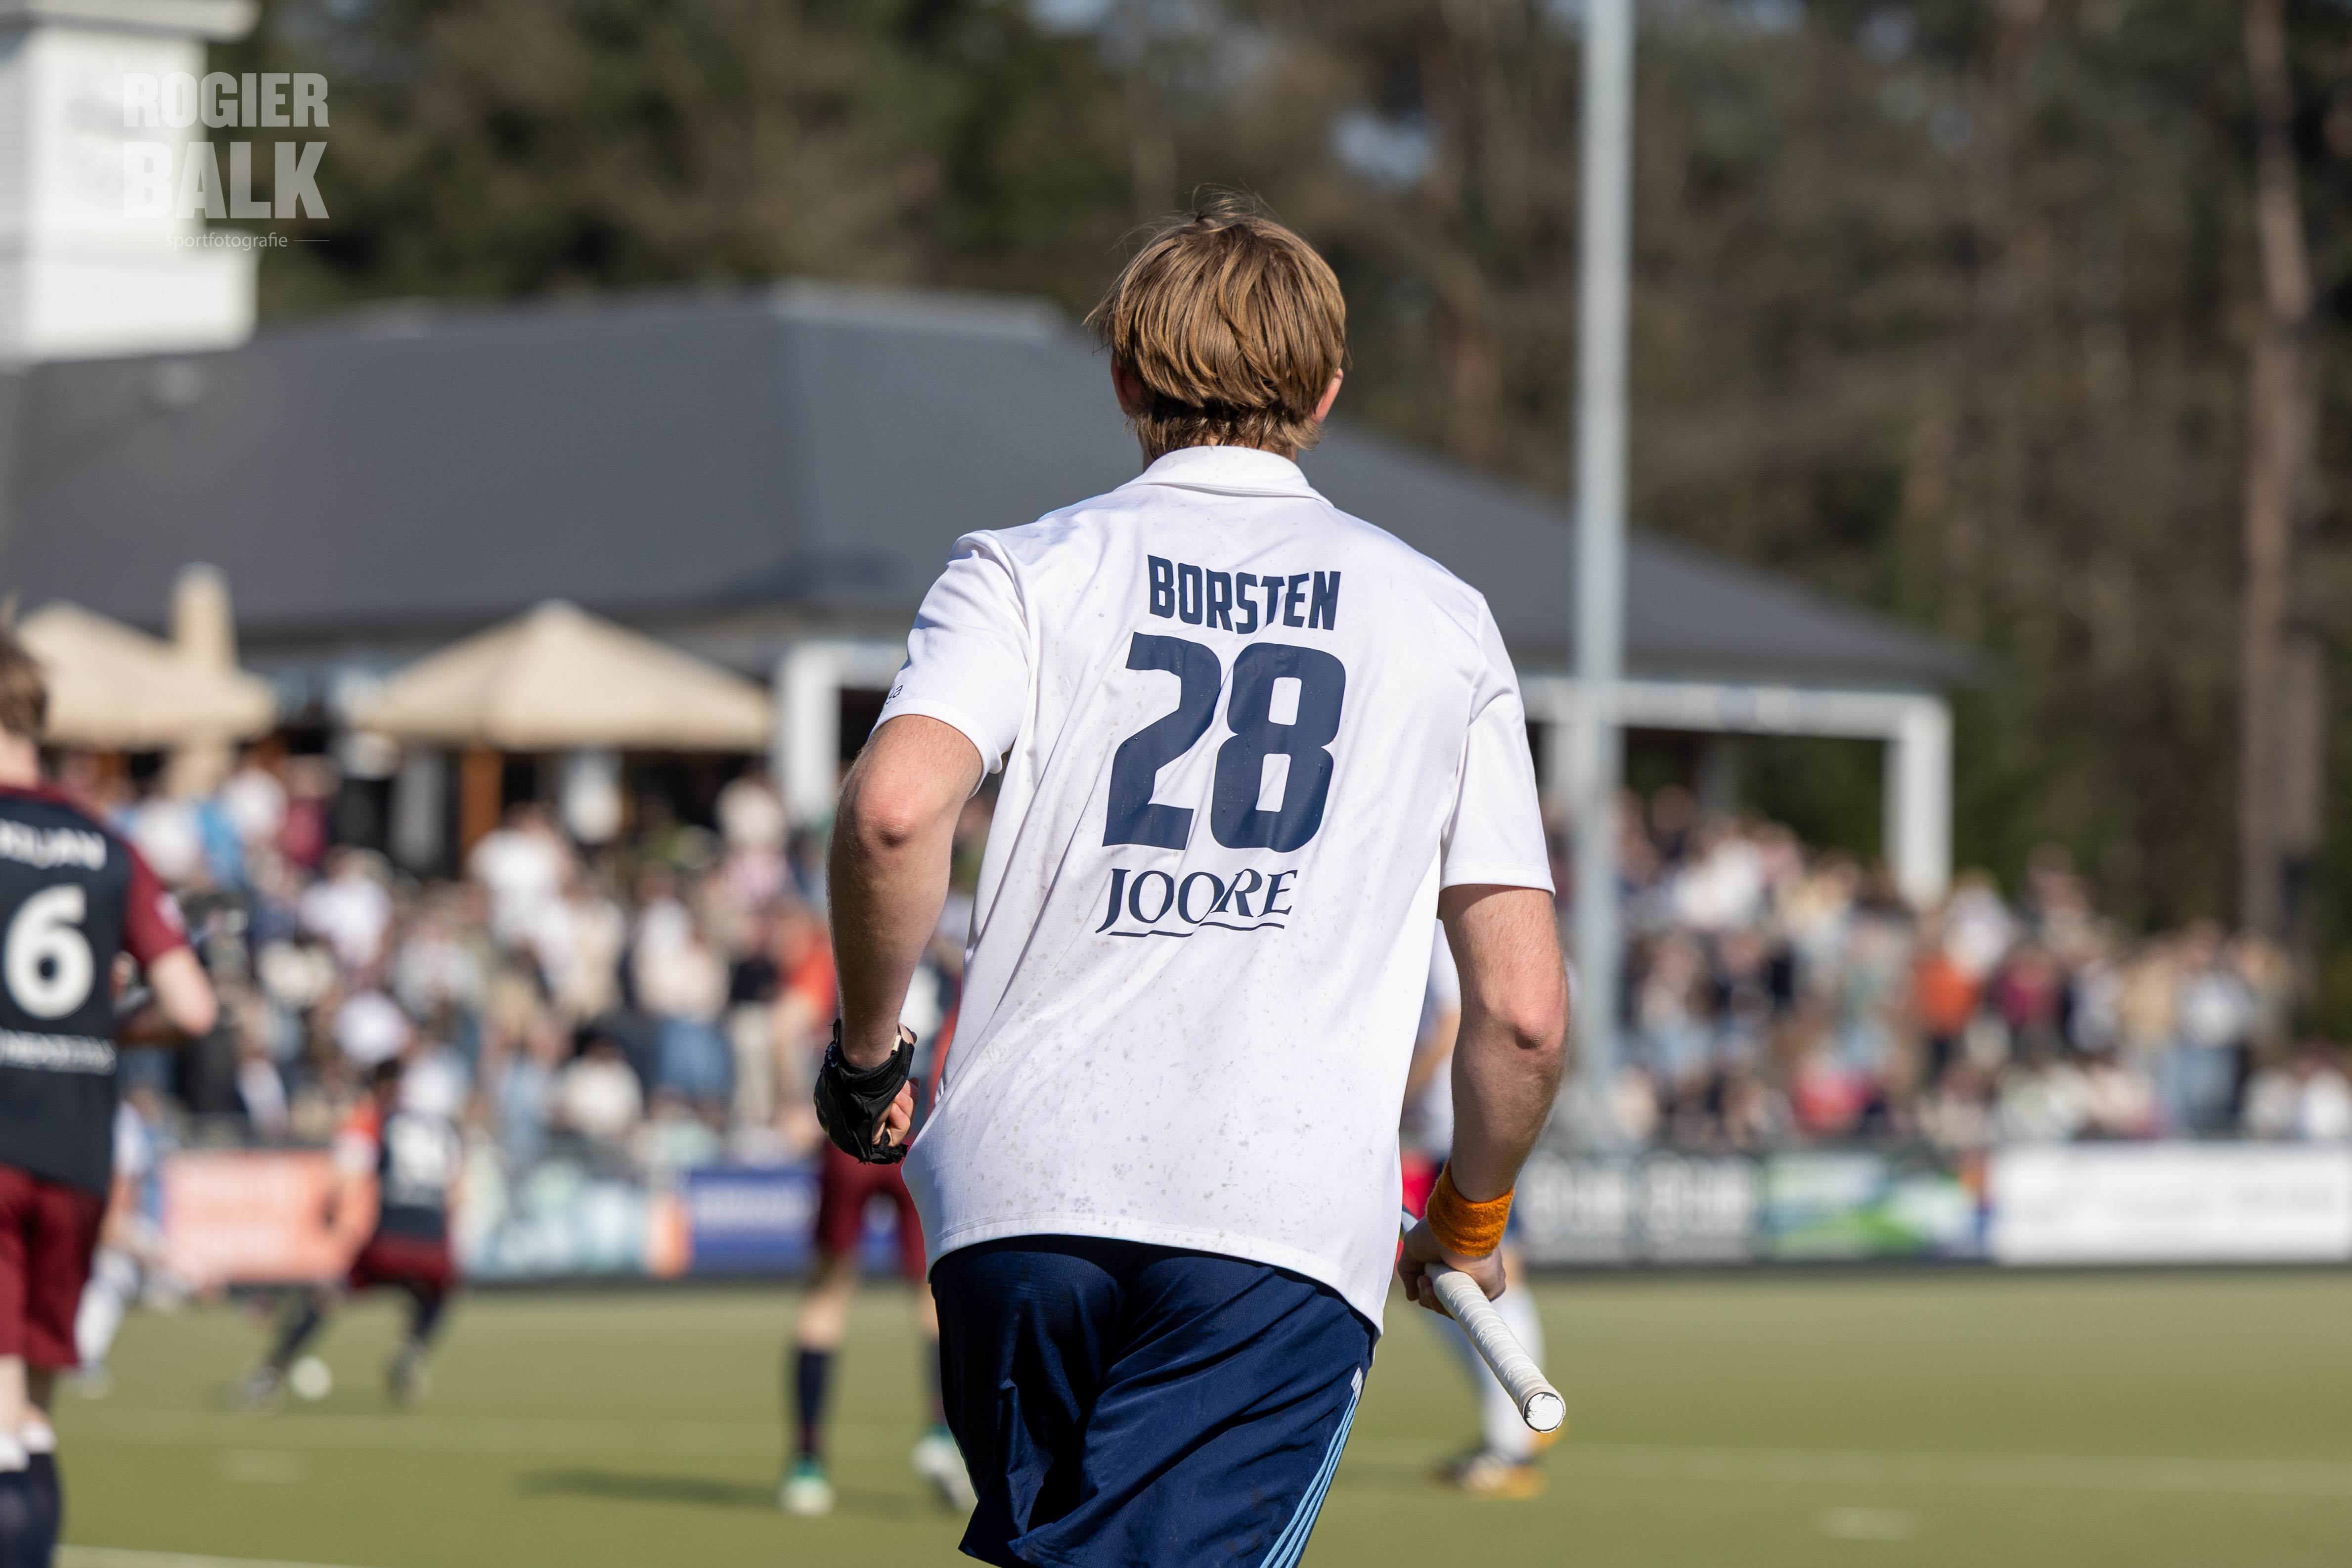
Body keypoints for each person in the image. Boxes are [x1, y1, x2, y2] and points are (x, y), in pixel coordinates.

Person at [813, 198, 1567, 1567]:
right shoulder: (1439, 618)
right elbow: (1521, 1013)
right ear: (1326, 393)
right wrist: (1468, 1220)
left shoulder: (1022, 571)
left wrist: (869, 1059)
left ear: (1121, 379)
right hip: (1273, 1225)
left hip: (1013, 1204)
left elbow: (892, 810)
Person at [0, 632, 218, 1568]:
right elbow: (193, 1008)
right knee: (34, 1415)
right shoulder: (108, 844)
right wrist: (104, 1028)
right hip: (78, 1152)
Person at [780, 954, 972, 1518]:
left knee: (825, 1297)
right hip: (922, 1131)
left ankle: (807, 1464)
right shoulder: (952, 964)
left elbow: (782, 1024)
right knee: (932, 1297)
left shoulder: (841, 952)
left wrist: (794, 1101)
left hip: (852, 1130)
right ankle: (938, 1432)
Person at [1400, 923, 1555, 1498]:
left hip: (1466, 1132)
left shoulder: (1444, 928)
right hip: (1449, 1131)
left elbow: (1449, 1024)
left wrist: (1395, 1096)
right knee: (1437, 1284)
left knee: (1489, 1275)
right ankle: (1509, 1432)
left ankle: (1512, 1443)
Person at [239, 1056, 462, 1408]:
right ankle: (413, 1349)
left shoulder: (376, 1119)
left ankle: (270, 1374)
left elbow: (348, 1173)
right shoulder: (442, 1128)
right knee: (440, 1291)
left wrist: (329, 1211)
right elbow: (457, 1193)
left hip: (389, 1241)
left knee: (327, 1296)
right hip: (434, 1244)